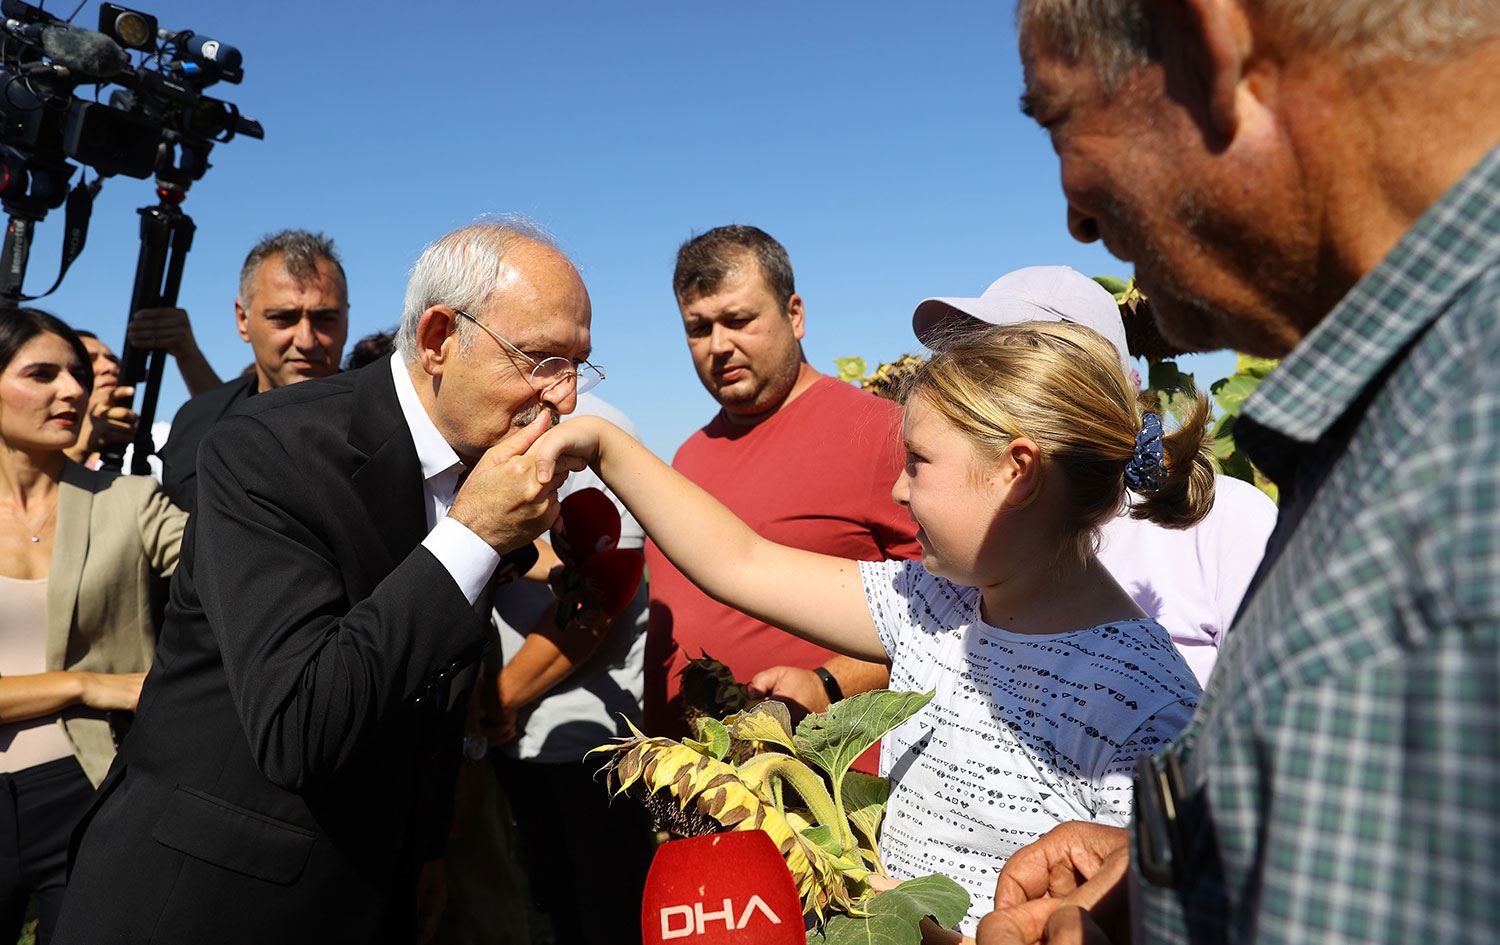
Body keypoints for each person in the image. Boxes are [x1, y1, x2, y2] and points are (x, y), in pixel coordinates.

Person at [975, 3, 1500, 944]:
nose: (1078, 214)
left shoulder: (1453, 524)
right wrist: (1188, 862)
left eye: (1059, 121)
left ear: (1206, 49)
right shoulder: (1410, 431)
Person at [532, 319, 1209, 937]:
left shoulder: (1143, 707)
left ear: (1017, 471)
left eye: (919, 461)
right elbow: (741, 561)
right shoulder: (935, 603)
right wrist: (605, 447)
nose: (899, 489)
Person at [53, 219, 598, 945]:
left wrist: (426, 847)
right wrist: (473, 536)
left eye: (577, 366)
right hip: (208, 901)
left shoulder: (480, 461)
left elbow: (433, 688)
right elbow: (298, 726)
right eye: (540, 360)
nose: (562, 399)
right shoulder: (266, 449)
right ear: (438, 337)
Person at [912, 266, 1277, 685]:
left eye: (999, 367)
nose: (970, 388)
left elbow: (1273, 703)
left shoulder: (1226, 518)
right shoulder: (971, 538)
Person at [649, 225, 920, 753]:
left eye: (739, 320)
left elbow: (957, 613)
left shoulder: (881, 434)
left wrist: (829, 685)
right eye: (698, 328)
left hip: (823, 803)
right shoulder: (688, 456)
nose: (719, 346)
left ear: (794, 315)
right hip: (689, 792)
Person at [0, 309, 186, 945]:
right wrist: (90, 687)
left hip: (91, 786)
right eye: (43, 374)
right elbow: (99, 686)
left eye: (77, 375)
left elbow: (232, 572)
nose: (73, 391)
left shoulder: (129, 502)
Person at [486, 392, 655, 945]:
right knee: (557, 912)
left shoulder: (597, 431)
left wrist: (495, 702)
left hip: (588, 747)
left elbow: (595, 605)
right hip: (512, 741)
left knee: (608, 917)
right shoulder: (485, 424)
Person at [157, 229, 350, 513]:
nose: (306, 340)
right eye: (283, 318)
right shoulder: (197, 424)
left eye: (325, 319)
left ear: (346, 318)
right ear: (242, 319)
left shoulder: (386, 425)